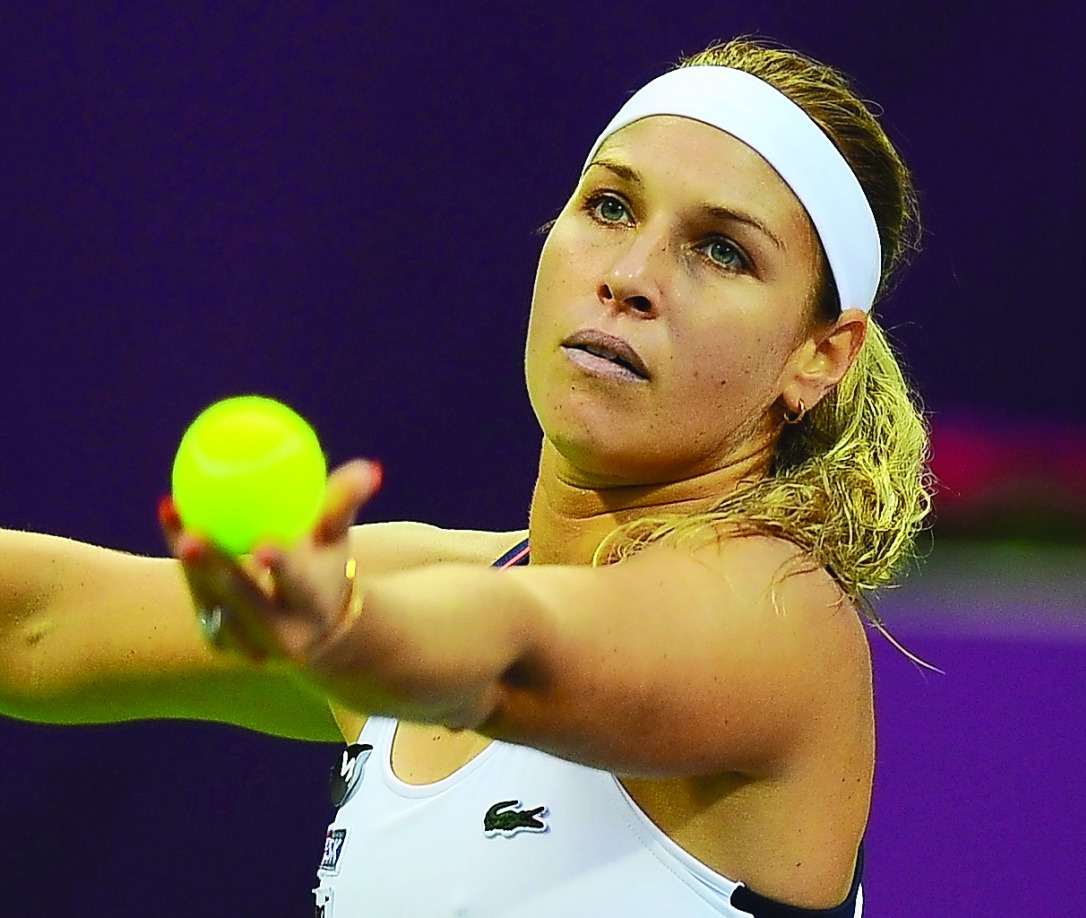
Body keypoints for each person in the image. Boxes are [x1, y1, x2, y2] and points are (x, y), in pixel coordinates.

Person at [0, 38, 930, 917]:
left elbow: (514, 652)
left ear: (819, 355)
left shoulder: (781, 618)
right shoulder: (414, 587)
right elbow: (39, 624)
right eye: (609, 206)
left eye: (721, 250)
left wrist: (346, 628)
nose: (632, 275)